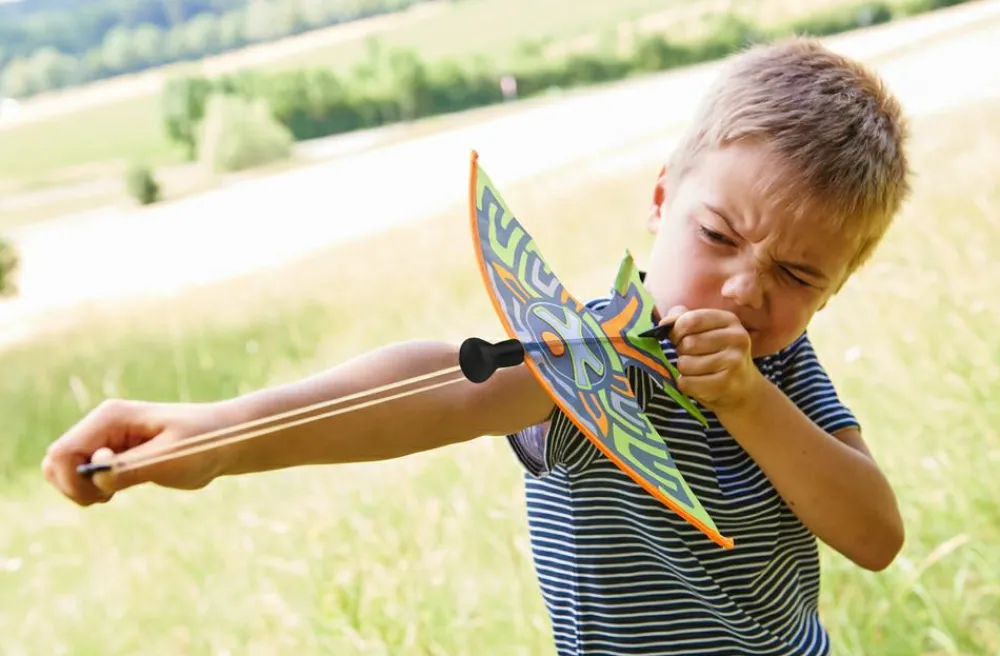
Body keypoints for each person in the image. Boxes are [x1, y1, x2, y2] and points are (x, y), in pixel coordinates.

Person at [42, 37, 909, 655]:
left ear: (835, 287)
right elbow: (449, 385)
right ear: (661, 198)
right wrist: (220, 437)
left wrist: (750, 402)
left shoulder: (784, 370)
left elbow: (873, 534)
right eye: (717, 234)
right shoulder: (591, 352)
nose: (744, 291)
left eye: (797, 276)